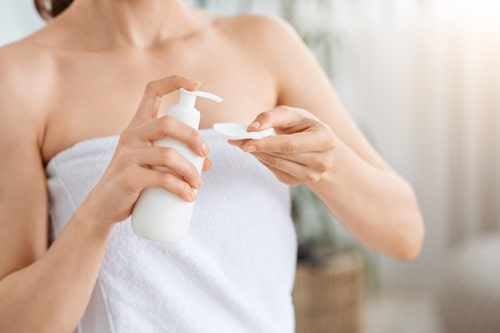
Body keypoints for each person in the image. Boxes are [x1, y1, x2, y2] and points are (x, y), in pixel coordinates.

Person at [0, 0, 425, 332]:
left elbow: (405, 233)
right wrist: (97, 213)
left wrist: (329, 165)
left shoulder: (264, 44)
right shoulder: (19, 78)